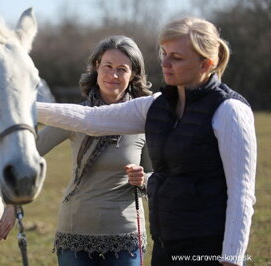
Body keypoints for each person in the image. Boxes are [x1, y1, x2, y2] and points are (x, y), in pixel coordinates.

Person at [35, 17, 256, 266]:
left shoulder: (229, 110)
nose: (165, 63)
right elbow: (91, 119)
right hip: (165, 244)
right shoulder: (156, 105)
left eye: (177, 57)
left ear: (206, 64)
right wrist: (24, 107)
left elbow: (242, 193)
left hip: (208, 247)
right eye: (164, 53)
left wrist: (232, 259)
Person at [0, 35, 153, 266]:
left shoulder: (144, 120)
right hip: (73, 234)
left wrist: (143, 178)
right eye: (107, 66)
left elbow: (162, 175)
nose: (113, 75)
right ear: (97, 67)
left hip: (124, 237)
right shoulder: (73, 117)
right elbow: (25, 154)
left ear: (134, 74)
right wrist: (10, 204)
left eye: (122, 69)